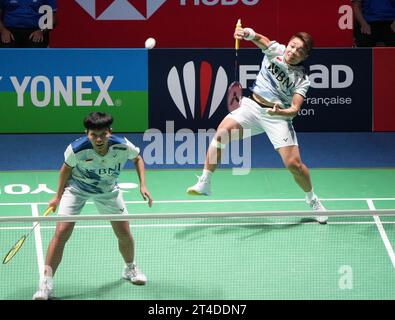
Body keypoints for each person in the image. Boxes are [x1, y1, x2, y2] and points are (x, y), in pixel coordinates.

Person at [187, 26, 328, 224]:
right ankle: (205, 181)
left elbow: (295, 109)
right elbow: (260, 38)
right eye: (292, 46)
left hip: (277, 117)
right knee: (221, 134)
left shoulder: (302, 80)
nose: (293, 51)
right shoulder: (276, 50)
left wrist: (280, 112)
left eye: (299, 51)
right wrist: (246, 33)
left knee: (294, 165)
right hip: (252, 107)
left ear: (304, 57)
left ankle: (312, 199)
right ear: (288, 44)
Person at [32, 112, 153, 300]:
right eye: (93, 135)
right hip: (77, 189)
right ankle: (46, 284)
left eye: (102, 134)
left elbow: (137, 158)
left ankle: (130, 268)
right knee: (62, 232)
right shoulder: (76, 149)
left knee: (124, 233)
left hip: (108, 190)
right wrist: (57, 197)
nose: (98, 139)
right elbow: (65, 170)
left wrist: (143, 185)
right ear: (86, 133)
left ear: (109, 132)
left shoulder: (122, 146)